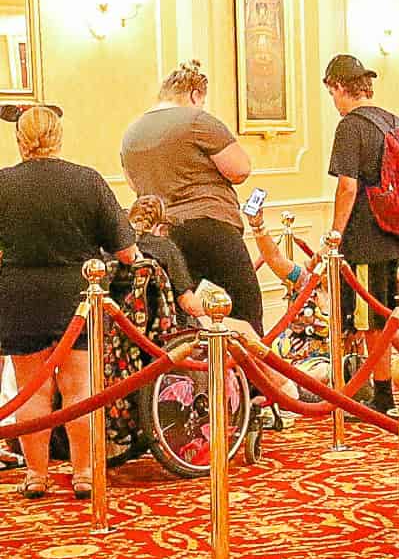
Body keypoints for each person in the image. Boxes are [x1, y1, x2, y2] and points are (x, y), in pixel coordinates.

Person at [0, 104, 139, 499]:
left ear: (19, 140)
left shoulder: (2, 184)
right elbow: (127, 250)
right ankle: (83, 473)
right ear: (58, 137)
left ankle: (36, 475)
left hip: (19, 295)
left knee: (32, 391)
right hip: (76, 294)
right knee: (79, 390)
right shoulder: (87, 181)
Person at [324, 54, 399, 415]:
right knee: (385, 314)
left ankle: (383, 395)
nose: (333, 102)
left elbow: (347, 187)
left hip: (363, 238)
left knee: (368, 321)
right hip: (392, 233)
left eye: (332, 92)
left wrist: (335, 234)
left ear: (340, 87)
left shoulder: (350, 127)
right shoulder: (392, 121)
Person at [120, 61, 262, 332]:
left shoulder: (131, 133)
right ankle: (247, 374)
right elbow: (240, 169)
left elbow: (131, 181)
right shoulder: (196, 121)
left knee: (187, 325)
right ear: (195, 94)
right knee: (244, 317)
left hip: (162, 240)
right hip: (211, 231)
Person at [126, 196, 201, 321]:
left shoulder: (116, 248)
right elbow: (189, 304)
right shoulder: (165, 248)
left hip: (118, 330)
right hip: (162, 332)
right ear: (160, 226)